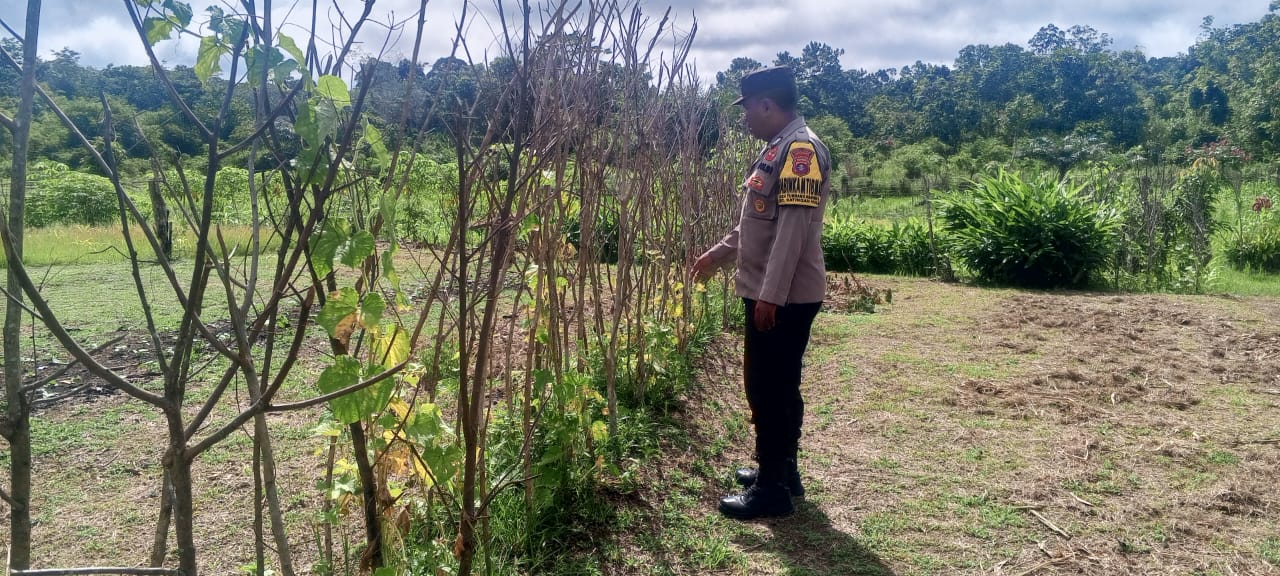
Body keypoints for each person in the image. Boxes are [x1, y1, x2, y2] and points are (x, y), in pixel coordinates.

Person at [691, 66, 830, 520]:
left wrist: (771, 297)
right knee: (777, 384)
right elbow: (757, 222)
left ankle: (772, 491)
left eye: (748, 108)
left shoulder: (800, 150)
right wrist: (717, 255)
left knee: (769, 388)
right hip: (774, 291)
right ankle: (782, 471)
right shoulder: (779, 147)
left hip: (784, 295)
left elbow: (792, 231)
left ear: (767, 104)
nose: (745, 117)